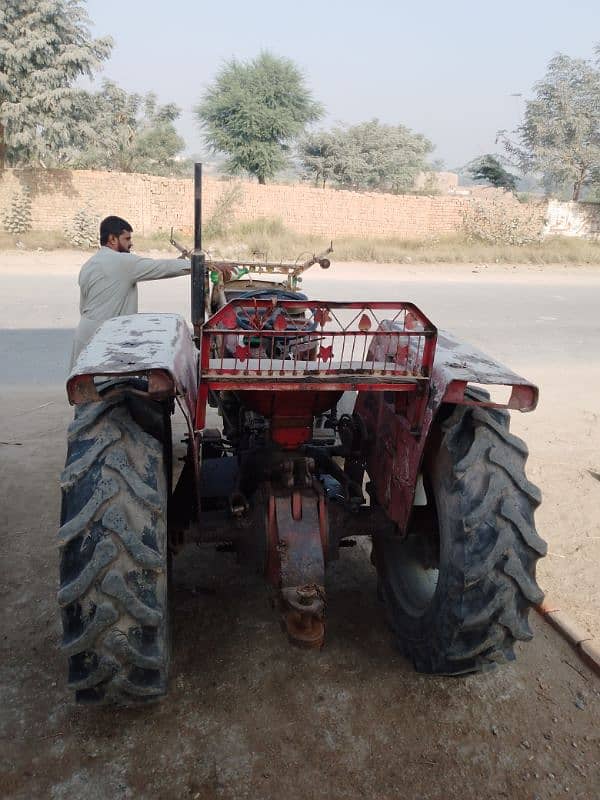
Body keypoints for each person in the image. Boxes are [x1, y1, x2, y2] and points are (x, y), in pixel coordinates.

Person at [69, 216, 191, 371]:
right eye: (126, 239)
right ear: (112, 239)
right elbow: (161, 267)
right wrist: (200, 265)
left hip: (84, 336)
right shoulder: (122, 262)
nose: (130, 243)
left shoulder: (89, 265)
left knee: (83, 390)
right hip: (105, 340)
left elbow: (83, 307)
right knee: (112, 388)